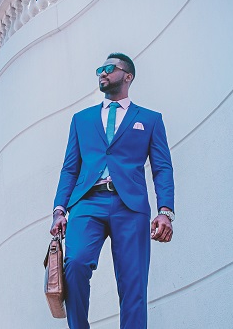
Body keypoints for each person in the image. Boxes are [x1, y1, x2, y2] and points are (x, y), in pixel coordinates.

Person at [49, 53, 175, 329]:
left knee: (133, 283)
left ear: (127, 76)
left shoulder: (151, 120)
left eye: (109, 69)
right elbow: (70, 168)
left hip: (130, 207)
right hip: (87, 203)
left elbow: (162, 167)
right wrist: (59, 209)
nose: (102, 73)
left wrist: (165, 210)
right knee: (76, 264)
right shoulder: (81, 119)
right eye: (100, 69)